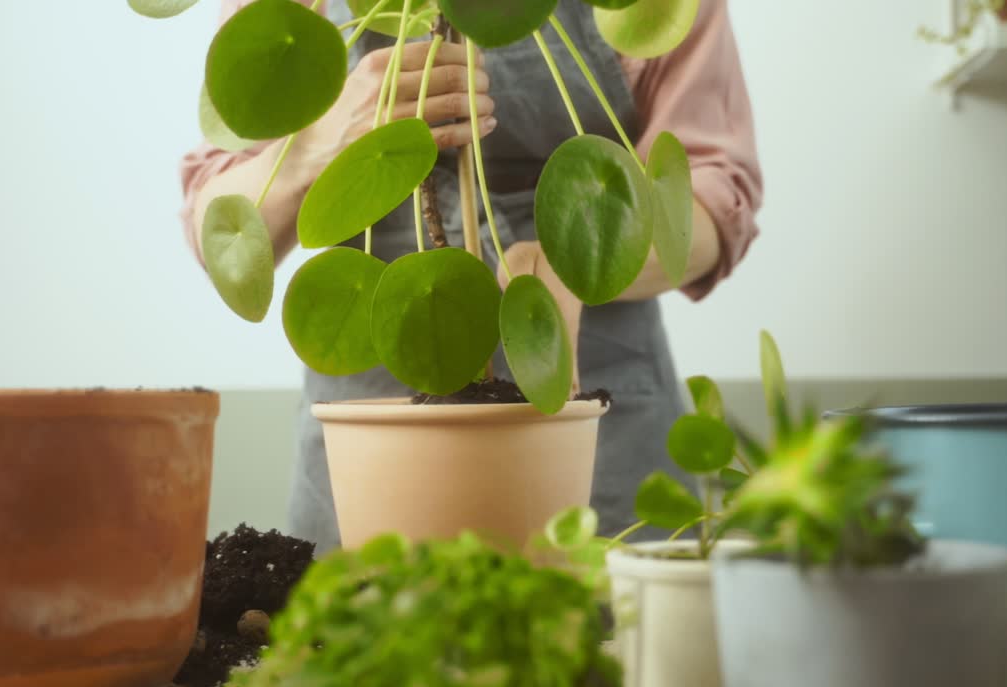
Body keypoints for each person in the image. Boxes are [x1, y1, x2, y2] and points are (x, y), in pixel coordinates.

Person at [180, 0, 763, 553]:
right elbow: (222, 228)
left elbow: (715, 191)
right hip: (371, 443)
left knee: (607, 646)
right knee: (366, 640)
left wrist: (587, 259)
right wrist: (316, 147)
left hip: (595, 423)